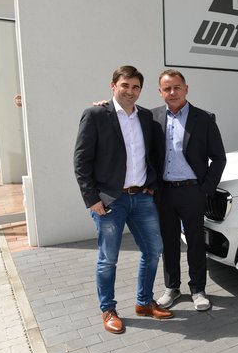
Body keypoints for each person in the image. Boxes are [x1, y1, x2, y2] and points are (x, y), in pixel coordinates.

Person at [74, 65, 174, 334]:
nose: (130, 92)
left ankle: (143, 302)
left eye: (135, 87)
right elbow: (81, 161)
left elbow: (152, 154)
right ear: (113, 86)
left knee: (153, 251)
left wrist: (151, 185)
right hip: (109, 200)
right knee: (108, 259)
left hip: (141, 198)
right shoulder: (96, 114)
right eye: (125, 86)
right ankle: (108, 309)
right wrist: (91, 198)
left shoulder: (145, 117)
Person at [152, 69, 226, 311]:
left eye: (176, 87)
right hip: (164, 193)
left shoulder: (204, 118)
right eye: (167, 89)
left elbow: (219, 158)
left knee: (195, 242)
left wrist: (205, 189)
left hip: (193, 192)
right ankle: (172, 288)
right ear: (160, 92)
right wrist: (102, 107)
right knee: (168, 243)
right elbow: (124, 120)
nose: (172, 92)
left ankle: (198, 290)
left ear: (186, 89)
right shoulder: (151, 118)